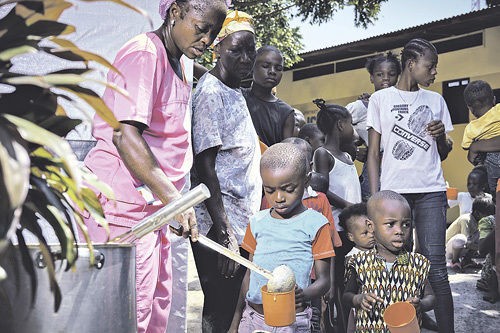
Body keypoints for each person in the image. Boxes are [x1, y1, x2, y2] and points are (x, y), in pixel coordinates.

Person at [82, 1, 227, 332]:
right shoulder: (146, 53)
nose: (206, 39)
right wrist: (174, 200)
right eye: (201, 27)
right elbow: (125, 135)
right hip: (122, 210)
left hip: (152, 211)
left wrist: (170, 204)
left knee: (153, 314)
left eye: (213, 33)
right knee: (128, 317)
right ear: (175, 11)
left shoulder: (178, 60)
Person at [366, 38, 454, 333]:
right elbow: (373, 154)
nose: (434, 72)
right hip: (395, 195)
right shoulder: (381, 99)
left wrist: (441, 136)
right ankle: (407, 326)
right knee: (403, 266)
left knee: (436, 267)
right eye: (431, 66)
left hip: (430, 190)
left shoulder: (436, 101)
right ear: (411, 64)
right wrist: (377, 197)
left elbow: (443, 151)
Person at [190, 10, 262, 332]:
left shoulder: (234, 89)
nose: (246, 58)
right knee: (218, 311)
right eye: (237, 50)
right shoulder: (210, 92)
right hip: (219, 227)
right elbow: (204, 166)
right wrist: (224, 233)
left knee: (229, 307)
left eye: (251, 50)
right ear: (218, 48)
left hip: (237, 222)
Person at [228, 143, 335, 333]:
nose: (278, 197)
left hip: (292, 320)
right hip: (253, 318)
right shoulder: (257, 222)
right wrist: (235, 321)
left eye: (288, 189)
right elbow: (248, 275)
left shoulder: (317, 224)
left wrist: (304, 294)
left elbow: (324, 280)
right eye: (269, 190)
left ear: (306, 179)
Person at [343, 190, 436, 332]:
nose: (399, 231)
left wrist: (421, 305)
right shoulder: (359, 262)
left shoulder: (417, 263)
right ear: (371, 226)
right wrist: (359, 299)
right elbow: (347, 295)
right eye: (390, 224)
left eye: (406, 224)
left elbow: (431, 297)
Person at [312, 98, 361, 333]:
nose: (353, 130)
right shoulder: (323, 154)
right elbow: (321, 189)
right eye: (351, 124)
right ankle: (336, 326)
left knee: (349, 281)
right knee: (337, 282)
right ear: (341, 125)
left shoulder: (348, 157)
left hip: (353, 227)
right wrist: (348, 205)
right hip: (336, 229)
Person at [346, 52, 401, 201]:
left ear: (398, 77)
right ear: (371, 77)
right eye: (379, 74)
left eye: (391, 74)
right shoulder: (361, 107)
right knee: (372, 209)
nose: (386, 78)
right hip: (374, 167)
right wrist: (353, 150)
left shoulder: (403, 105)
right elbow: (333, 125)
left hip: (400, 168)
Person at [242, 45, 295, 146]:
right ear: (252, 66)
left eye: (278, 68)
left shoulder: (286, 112)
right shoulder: (238, 96)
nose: (272, 71)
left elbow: (287, 151)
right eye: (265, 66)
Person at [338, 203, 375, 333]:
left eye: (372, 230)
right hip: (360, 308)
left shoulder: (380, 251)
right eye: (365, 233)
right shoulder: (352, 258)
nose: (371, 235)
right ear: (351, 237)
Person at [462, 80, 500, 197]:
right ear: (493, 99)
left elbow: (466, 146)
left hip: (490, 159)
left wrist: (475, 146)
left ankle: (494, 194)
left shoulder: (470, 128)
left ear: (470, 108)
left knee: (493, 186)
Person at [445, 195, 494, 272]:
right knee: (461, 238)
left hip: (461, 248)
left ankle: (466, 261)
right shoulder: (466, 219)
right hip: (449, 250)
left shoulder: (478, 222)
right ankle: (455, 261)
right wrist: (482, 247)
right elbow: (467, 242)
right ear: (477, 213)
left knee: (480, 235)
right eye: (487, 216)